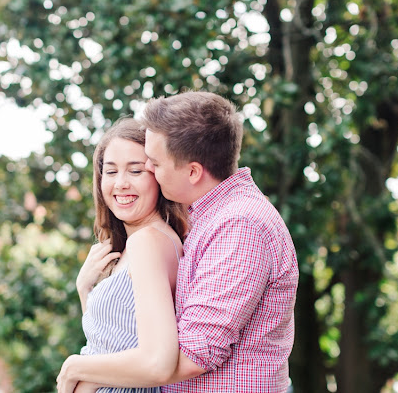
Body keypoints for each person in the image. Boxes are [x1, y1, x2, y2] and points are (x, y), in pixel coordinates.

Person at [58, 91, 298, 392]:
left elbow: (190, 354)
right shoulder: (208, 221)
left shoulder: (240, 224)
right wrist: (88, 292)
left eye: (152, 165)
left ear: (193, 171)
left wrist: (78, 369)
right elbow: (124, 334)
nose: (152, 174)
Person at [57, 117, 187, 393]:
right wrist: (86, 289)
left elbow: (157, 362)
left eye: (136, 171)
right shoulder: (136, 244)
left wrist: (74, 366)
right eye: (111, 171)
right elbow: (111, 342)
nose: (121, 184)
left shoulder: (148, 242)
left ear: (157, 176)